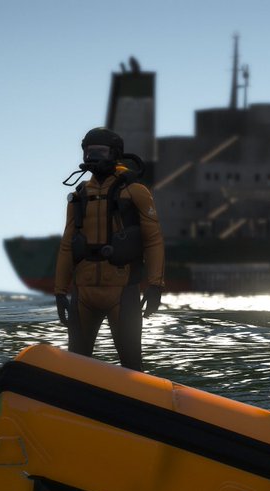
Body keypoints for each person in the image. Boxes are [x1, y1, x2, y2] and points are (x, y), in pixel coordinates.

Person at [54, 127, 164, 370]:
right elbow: (66, 244)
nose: (93, 157)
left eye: (100, 152)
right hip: (83, 293)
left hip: (122, 290)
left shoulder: (136, 191)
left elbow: (153, 240)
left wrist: (156, 285)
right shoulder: (79, 196)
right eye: (88, 152)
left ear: (115, 154)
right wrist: (60, 291)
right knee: (76, 365)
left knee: (132, 364)